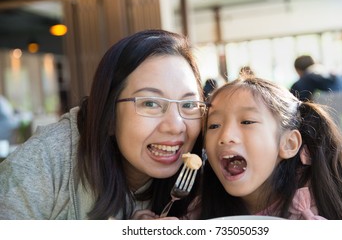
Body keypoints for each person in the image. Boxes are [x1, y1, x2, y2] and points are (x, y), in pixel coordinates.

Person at [0, 29, 207, 220]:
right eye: (150, 103)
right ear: (108, 115)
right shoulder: (42, 165)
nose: (175, 126)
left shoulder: (206, 168)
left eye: (188, 104)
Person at [198, 74, 342, 219]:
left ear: (289, 144)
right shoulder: (198, 208)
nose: (225, 136)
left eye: (246, 121)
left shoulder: (312, 209)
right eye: (214, 125)